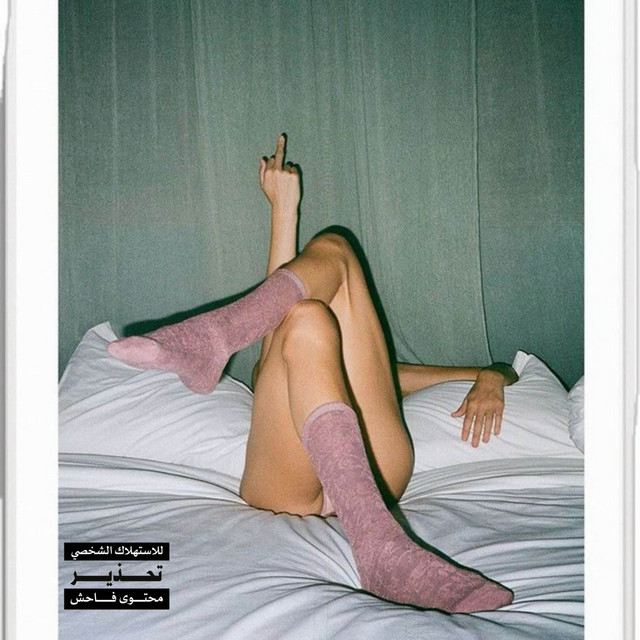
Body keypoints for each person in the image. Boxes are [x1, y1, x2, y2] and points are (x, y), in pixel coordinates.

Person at [107, 135, 518, 613]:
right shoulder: (302, 340)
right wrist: (283, 210)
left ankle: (216, 337)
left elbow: (487, 371)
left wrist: (494, 376)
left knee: (324, 270)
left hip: (364, 471)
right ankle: (380, 544)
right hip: (305, 480)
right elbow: (276, 336)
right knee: (306, 315)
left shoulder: (377, 369)